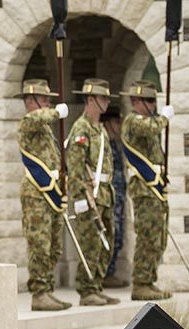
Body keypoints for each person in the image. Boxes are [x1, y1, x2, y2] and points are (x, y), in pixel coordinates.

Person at [17, 79, 71, 311]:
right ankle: (38, 293)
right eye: (45, 99)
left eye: (50, 100)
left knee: (53, 246)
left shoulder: (46, 130)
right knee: (39, 244)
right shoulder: (29, 123)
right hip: (36, 193)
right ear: (31, 101)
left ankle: (47, 289)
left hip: (52, 191)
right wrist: (56, 112)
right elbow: (37, 119)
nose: (49, 103)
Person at [66, 79, 121, 306]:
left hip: (105, 194)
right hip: (90, 195)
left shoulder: (99, 129)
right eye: (103, 98)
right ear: (90, 100)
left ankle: (97, 285)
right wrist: (82, 197)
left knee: (106, 242)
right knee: (90, 242)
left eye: (107, 98)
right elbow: (76, 167)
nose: (107, 102)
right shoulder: (82, 128)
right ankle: (87, 289)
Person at [119, 80, 174, 301]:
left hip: (155, 188)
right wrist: (164, 118)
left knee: (158, 237)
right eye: (149, 101)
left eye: (154, 101)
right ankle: (140, 283)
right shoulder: (133, 121)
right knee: (147, 236)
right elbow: (150, 127)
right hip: (143, 189)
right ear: (136, 101)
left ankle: (149, 279)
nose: (153, 105)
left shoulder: (148, 121)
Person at [102, 106, 130, 289]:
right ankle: (104, 273)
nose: (119, 126)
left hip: (119, 196)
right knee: (109, 234)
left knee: (118, 235)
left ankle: (109, 272)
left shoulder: (116, 145)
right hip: (109, 196)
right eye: (116, 122)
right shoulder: (104, 144)